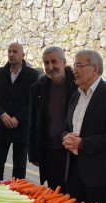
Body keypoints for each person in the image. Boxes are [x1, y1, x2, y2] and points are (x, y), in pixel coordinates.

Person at [62, 50, 106, 203]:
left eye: (80, 65)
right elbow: (66, 127)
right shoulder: (75, 96)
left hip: (101, 177)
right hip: (74, 172)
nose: (74, 70)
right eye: (74, 66)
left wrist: (82, 143)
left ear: (95, 68)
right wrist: (65, 137)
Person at [0, 42, 40, 180]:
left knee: (19, 165)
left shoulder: (32, 75)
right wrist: (3, 115)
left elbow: (33, 102)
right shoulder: (1, 72)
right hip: (3, 125)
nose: (11, 54)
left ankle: (17, 191)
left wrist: (18, 118)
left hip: (21, 127)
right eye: (9, 51)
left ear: (23, 55)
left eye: (15, 52)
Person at [29, 46, 76, 191]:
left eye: (54, 62)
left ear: (63, 62)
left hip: (72, 151)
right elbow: (34, 120)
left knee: (74, 193)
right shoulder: (38, 87)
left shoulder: (77, 84)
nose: (50, 67)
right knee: (54, 193)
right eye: (46, 63)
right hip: (49, 151)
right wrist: (34, 153)